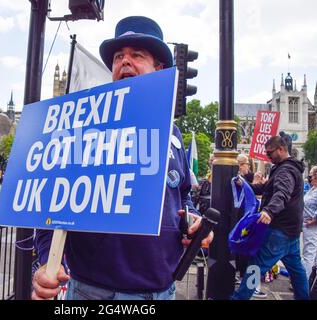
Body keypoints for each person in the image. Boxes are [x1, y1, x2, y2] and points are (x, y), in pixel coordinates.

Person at [32, 16, 213, 300]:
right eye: (118, 56)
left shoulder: (173, 133)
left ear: (159, 69)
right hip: (96, 293)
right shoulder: (84, 127)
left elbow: (183, 195)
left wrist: (192, 220)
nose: (124, 61)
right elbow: (50, 205)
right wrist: (46, 262)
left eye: (137, 55)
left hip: (163, 291)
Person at [232, 136, 309, 300]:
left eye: (270, 152)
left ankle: (241, 297)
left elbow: (282, 193)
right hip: (291, 231)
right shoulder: (287, 168)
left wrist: (269, 211)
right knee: (296, 270)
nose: (268, 156)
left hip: (279, 230)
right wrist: (246, 185)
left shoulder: (285, 171)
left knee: (256, 266)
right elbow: (266, 188)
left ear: (281, 149)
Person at [234, 154, 267, 298]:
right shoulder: (238, 179)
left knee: (254, 255)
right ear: (241, 165)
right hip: (246, 220)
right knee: (249, 254)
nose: (249, 165)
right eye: (247, 163)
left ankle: (251, 287)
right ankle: (249, 286)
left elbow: (260, 195)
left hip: (254, 219)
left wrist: (256, 184)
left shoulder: (252, 178)